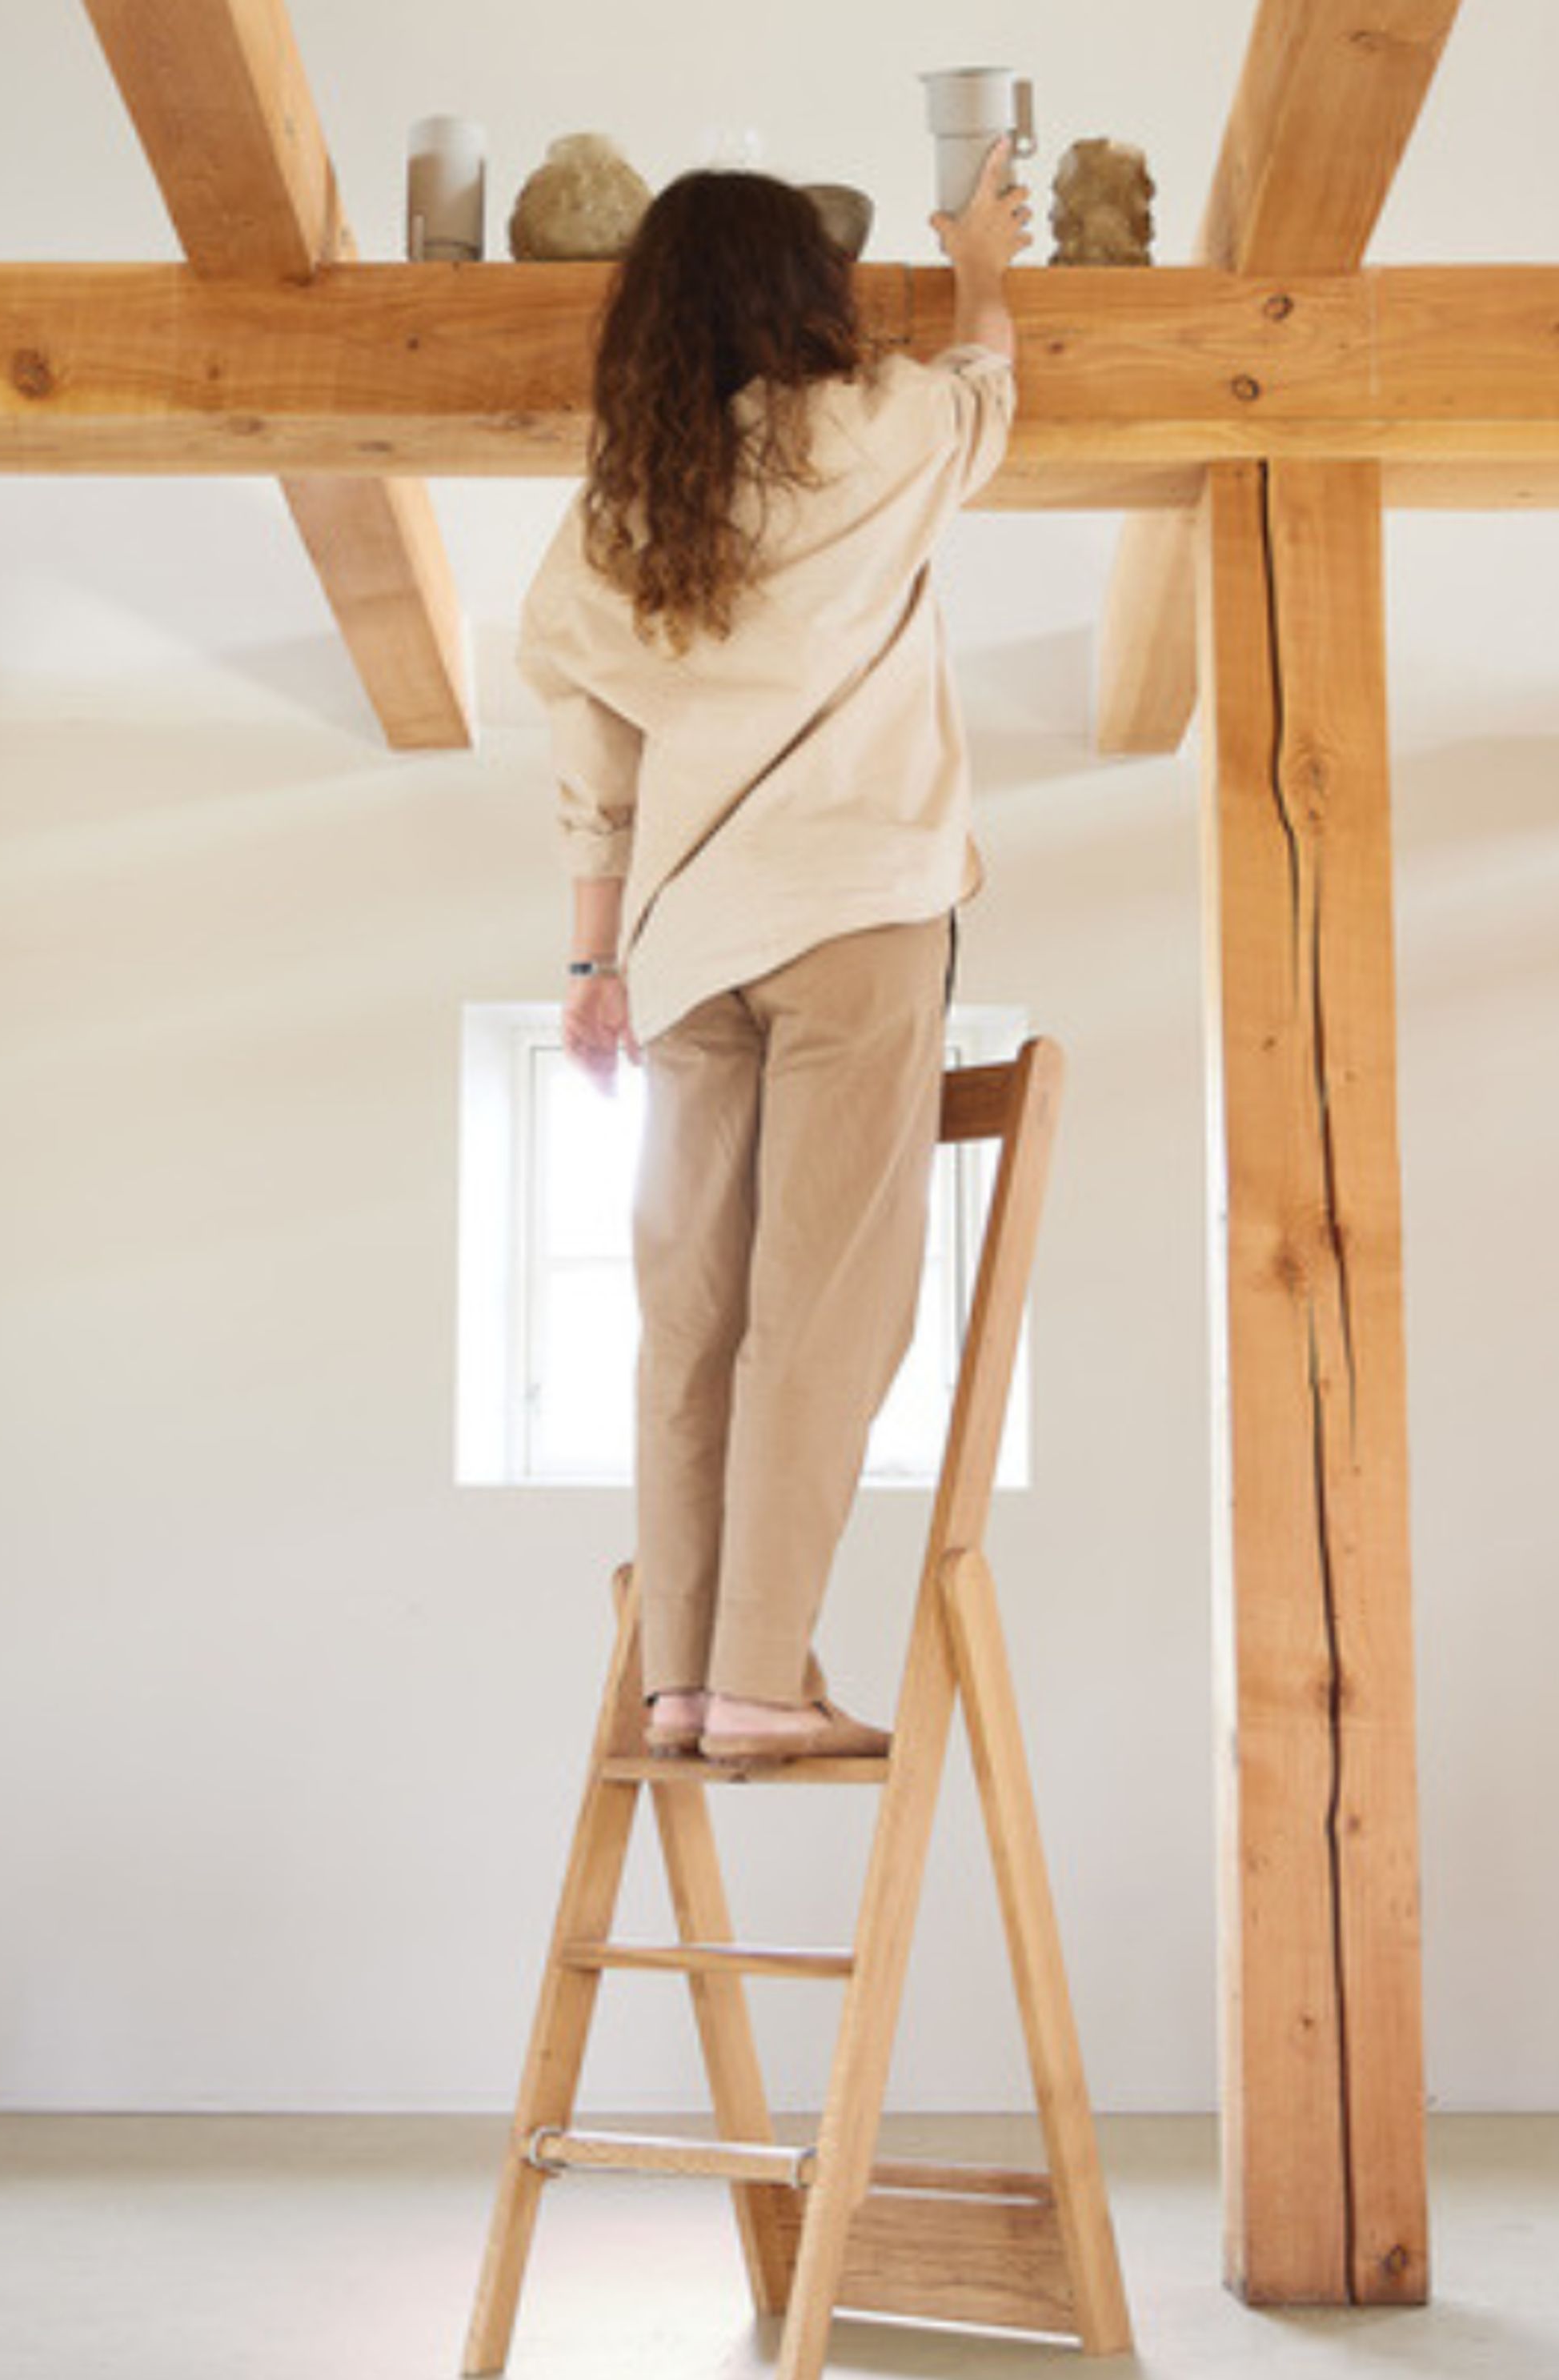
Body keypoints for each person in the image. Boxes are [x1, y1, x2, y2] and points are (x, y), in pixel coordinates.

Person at [518, 142, 1028, 1765]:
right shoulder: (873, 428)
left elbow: (592, 756)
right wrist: (980, 265)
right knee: (826, 1305)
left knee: (691, 1318)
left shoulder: (621, 513)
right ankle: (756, 1678)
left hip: (684, 949)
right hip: (857, 915)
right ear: (807, 288)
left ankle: (682, 1676)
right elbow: (985, 397)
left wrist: (590, 968)